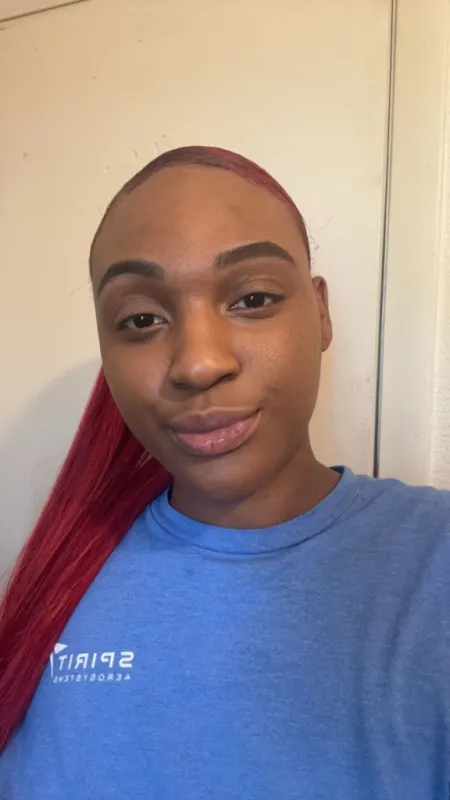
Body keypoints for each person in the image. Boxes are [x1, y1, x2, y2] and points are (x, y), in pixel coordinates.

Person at [0, 145, 449, 800]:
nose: (198, 364)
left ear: (321, 313)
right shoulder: (61, 576)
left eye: (253, 298)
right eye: (142, 319)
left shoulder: (433, 560)